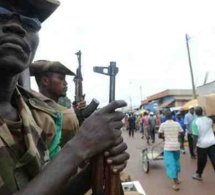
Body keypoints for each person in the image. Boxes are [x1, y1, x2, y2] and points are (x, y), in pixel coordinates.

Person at [0, 1, 129, 195]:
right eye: (1, 12)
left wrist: (94, 166)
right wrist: (78, 148)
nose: (16, 26)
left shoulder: (37, 115)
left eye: (31, 22)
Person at [158, 111, 183, 191]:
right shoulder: (177, 124)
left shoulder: (163, 125)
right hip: (176, 146)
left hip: (168, 148)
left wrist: (165, 137)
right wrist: (176, 136)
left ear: (165, 116)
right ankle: (177, 179)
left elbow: (159, 135)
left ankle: (175, 184)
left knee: (171, 164)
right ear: (172, 116)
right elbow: (182, 133)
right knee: (176, 162)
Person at [191, 106, 215, 181]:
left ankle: (198, 174)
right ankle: (198, 174)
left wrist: (194, 147)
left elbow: (195, 136)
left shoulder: (194, 122)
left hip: (202, 144)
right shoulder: (210, 120)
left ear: (195, 113)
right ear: (202, 112)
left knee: (201, 161)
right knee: (214, 159)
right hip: (212, 142)